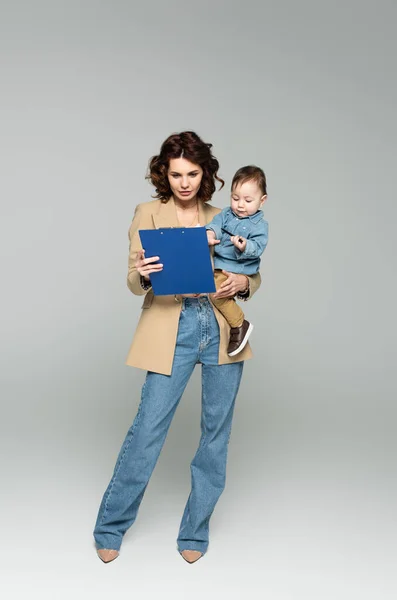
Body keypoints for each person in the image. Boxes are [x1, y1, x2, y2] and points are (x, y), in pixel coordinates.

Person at [93, 131, 261, 565]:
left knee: (215, 434)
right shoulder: (148, 213)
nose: (183, 182)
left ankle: (195, 529)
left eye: (192, 173)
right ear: (163, 176)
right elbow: (133, 280)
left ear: (205, 174)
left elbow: (251, 270)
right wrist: (144, 274)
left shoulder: (226, 215)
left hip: (220, 324)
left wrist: (245, 283)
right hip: (173, 322)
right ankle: (111, 526)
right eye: (175, 174)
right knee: (148, 428)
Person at [206, 165, 268, 356]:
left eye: (248, 200)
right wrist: (210, 232)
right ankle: (238, 324)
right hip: (220, 265)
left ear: (262, 200)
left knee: (216, 293)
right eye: (235, 198)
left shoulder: (260, 226)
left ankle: (239, 324)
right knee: (213, 289)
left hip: (238, 267)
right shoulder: (226, 214)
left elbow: (258, 247)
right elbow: (216, 223)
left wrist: (244, 246)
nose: (240, 205)